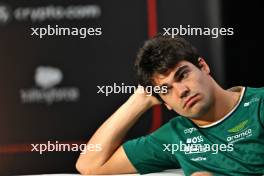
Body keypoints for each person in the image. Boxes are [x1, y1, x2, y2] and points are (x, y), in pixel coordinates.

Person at [75, 35, 264, 176]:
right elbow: (89, 165)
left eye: (183, 75)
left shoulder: (259, 104)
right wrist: (138, 101)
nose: (181, 91)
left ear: (203, 66)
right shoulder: (175, 136)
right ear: (165, 103)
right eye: (165, 90)